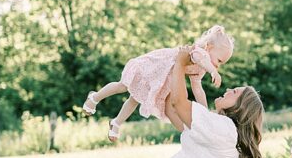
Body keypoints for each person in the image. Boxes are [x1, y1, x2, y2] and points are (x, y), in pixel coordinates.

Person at [82, 25, 234, 142]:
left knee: (135, 99)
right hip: (154, 67)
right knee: (123, 85)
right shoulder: (198, 53)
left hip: (160, 80)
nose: (218, 66)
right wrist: (213, 71)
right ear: (209, 47)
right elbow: (200, 59)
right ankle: (95, 98)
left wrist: (204, 113)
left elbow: (198, 89)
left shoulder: (201, 69)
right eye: (219, 60)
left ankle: (116, 122)